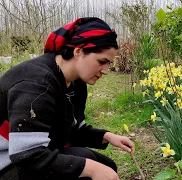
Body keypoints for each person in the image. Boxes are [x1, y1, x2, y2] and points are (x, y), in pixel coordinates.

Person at [0, 17, 134, 180]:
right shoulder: (35, 84)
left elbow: (72, 130)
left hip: (36, 152)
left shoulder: (76, 83)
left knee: (107, 167)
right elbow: (27, 155)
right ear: (78, 51)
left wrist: (106, 136)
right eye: (102, 61)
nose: (106, 70)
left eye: (109, 63)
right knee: (89, 168)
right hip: (9, 162)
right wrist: (91, 169)